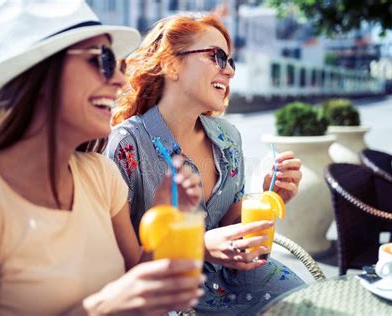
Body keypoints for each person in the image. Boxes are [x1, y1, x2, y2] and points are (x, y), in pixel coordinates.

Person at [0, 2, 204, 315]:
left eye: (119, 66)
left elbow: (136, 280)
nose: (119, 80)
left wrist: (164, 213)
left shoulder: (101, 174)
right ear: (39, 75)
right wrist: (98, 309)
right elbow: (117, 301)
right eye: (101, 60)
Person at [107, 14, 304, 315]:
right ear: (171, 64)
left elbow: (227, 224)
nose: (229, 72)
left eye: (231, 62)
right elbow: (121, 264)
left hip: (235, 279)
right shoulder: (127, 145)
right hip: (166, 293)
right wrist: (199, 244)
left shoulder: (228, 137)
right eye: (217, 57)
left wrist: (265, 195)